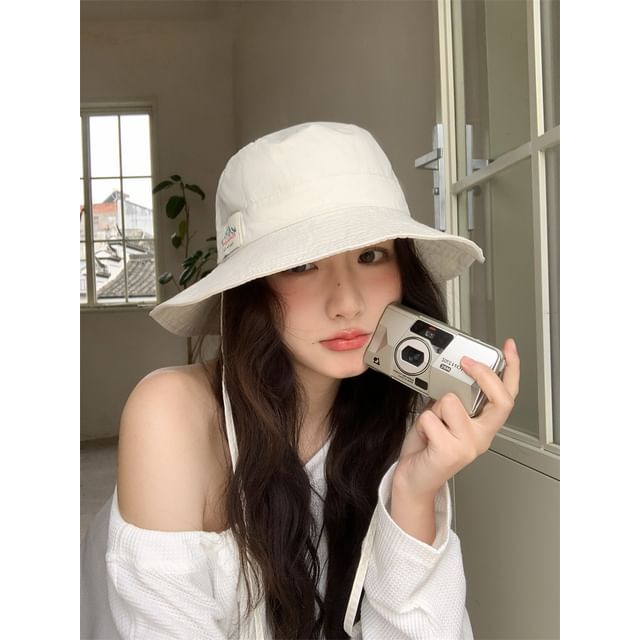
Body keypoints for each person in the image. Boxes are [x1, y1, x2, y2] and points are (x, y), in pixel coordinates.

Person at [80, 121, 519, 639]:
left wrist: (414, 493)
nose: (348, 303)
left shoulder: (398, 418)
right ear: (252, 286)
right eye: (303, 265)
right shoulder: (171, 413)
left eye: (370, 255)